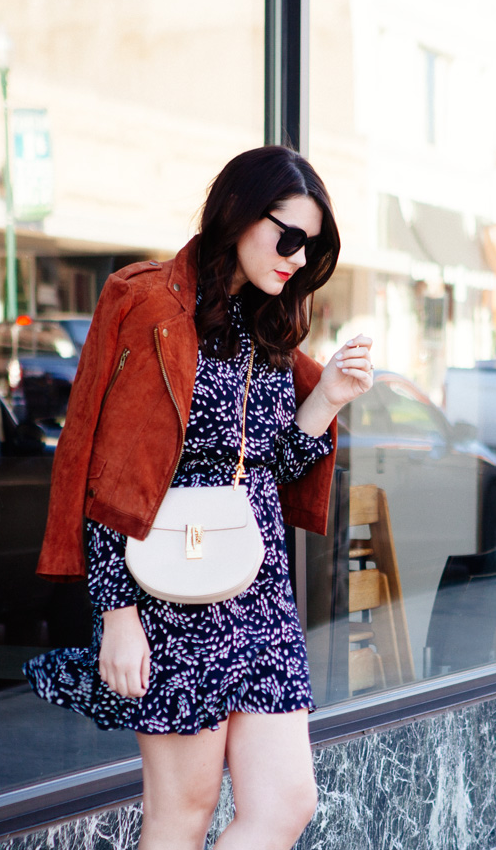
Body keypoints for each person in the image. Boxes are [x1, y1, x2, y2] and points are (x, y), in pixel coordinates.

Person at [25, 144, 373, 850]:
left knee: (286, 802)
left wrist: (326, 395)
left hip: (260, 585)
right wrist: (118, 614)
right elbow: (107, 468)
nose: (298, 259)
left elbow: (268, 464)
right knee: (182, 813)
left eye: (313, 247)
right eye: (290, 237)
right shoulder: (151, 302)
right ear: (241, 215)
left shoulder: (270, 326)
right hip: (171, 587)